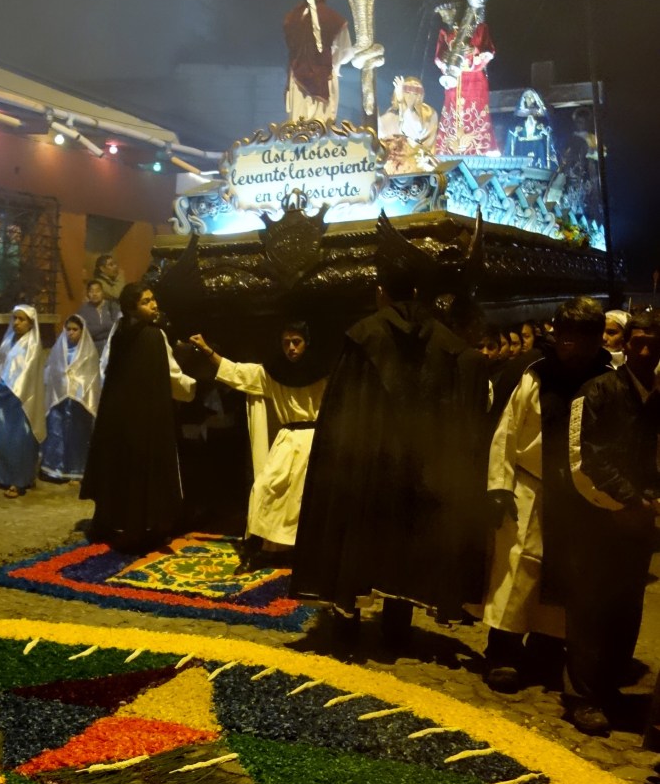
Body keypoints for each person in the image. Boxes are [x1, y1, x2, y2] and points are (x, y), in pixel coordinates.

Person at [292, 240, 489, 645]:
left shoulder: (364, 336)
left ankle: (347, 619)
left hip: (368, 459)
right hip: (422, 464)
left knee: (358, 536)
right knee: (409, 539)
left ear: (381, 292)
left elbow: (343, 407)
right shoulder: (448, 344)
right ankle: (398, 625)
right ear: (418, 293)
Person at [481, 297, 611, 694]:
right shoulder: (533, 374)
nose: (570, 344)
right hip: (529, 484)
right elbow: (507, 432)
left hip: (579, 496)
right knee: (518, 567)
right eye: (565, 334)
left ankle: (546, 650)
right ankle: (502, 649)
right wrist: (499, 486)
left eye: (580, 336)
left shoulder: (607, 380)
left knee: (564, 574)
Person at [563, 312, 660, 733]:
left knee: (626, 610)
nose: (643, 351)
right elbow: (584, 456)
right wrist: (628, 498)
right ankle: (582, 696)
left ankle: (610, 689)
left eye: (652, 344)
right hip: (597, 518)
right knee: (590, 609)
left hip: (639, 526)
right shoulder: (598, 391)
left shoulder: (657, 397)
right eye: (637, 342)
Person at [190, 323, 328, 572]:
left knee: (305, 498)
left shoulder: (324, 372)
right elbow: (238, 372)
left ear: (307, 343)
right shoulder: (274, 372)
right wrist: (208, 351)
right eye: (286, 342)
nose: (291, 348)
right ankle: (270, 550)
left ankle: (304, 553)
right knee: (265, 489)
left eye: (296, 341)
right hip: (288, 439)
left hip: (316, 440)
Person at [81, 282, 195, 551]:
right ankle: (141, 529)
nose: (153, 305)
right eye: (145, 301)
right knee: (144, 473)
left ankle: (116, 523)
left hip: (120, 417)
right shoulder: (153, 336)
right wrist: (195, 387)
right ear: (132, 307)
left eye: (153, 299)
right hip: (145, 419)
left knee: (122, 470)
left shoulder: (120, 331)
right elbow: (172, 377)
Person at [283, 0, 355, 122]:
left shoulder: (291, 18)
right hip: (324, 77)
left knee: (297, 127)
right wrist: (331, 63)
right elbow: (345, 52)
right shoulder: (334, 19)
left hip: (297, 80)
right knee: (322, 128)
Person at [0, 305, 46, 499]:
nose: (16, 323)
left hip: (21, 402)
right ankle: (4, 476)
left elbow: (23, 377)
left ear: (31, 324)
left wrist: (1, 388)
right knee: (4, 440)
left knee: (19, 441)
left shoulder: (32, 346)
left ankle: (19, 481)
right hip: (4, 400)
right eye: (14, 318)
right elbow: (1, 365)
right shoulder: (9, 341)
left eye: (21, 320)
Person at [40, 314, 100, 483]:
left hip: (79, 403)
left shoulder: (89, 353)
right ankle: (55, 469)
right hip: (59, 400)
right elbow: (51, 371)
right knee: (57, 433)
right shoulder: (59, 349)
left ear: (82, 331)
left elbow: (91, 377)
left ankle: (76, 470)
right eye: (68, 329)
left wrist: (77, 389)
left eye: (75, 329)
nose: (71, 333)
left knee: (77, 437)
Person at [433, 3, 497, 156]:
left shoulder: (479, 28)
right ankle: (449, 149)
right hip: (454, 80)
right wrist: (445, 59)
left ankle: (480, 149)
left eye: (450, 12)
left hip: (474, 79)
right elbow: (438, 56)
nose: (448, 16)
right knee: (452, 110)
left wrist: (474, 51)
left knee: (475, 110)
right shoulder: (445, 32)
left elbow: (489, 51)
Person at [78, 279, 121, 359]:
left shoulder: (112, 306)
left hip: (112, 347)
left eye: (97, 291)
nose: (94, 294)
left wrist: (98, 330)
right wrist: (105, 326)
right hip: (93, 350)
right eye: (91, 291)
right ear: (88, 294)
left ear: (102, 292)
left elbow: (117, 327)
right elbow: (85, 332)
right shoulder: (83, 310)